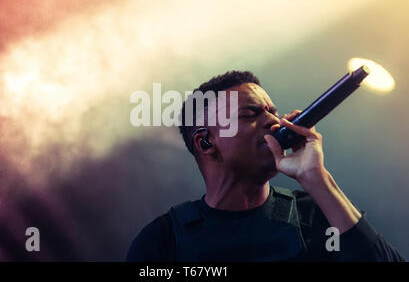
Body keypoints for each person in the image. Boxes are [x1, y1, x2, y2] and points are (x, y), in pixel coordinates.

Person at [126, 70, 405, 261]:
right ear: (206, 143)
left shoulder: (317, 214)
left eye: (273, 111)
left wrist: (317, 178)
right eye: (251, 113)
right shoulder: (162, 241)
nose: (276, 122)